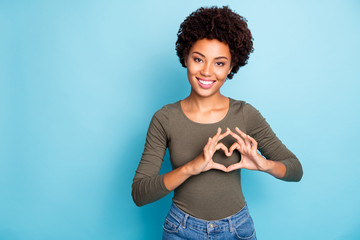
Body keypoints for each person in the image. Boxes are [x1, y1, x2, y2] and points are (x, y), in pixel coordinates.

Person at [132, 6, 303, 239]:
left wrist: (265, 164)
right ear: (186, 57)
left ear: (231, 66)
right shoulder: (165, 118)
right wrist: (192, 167)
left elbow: (295, 169)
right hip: (181, 230)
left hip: (237, 230)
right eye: (198, 59)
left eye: (219, 63)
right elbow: (140, 194)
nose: (206, 71)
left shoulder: (245, 114)